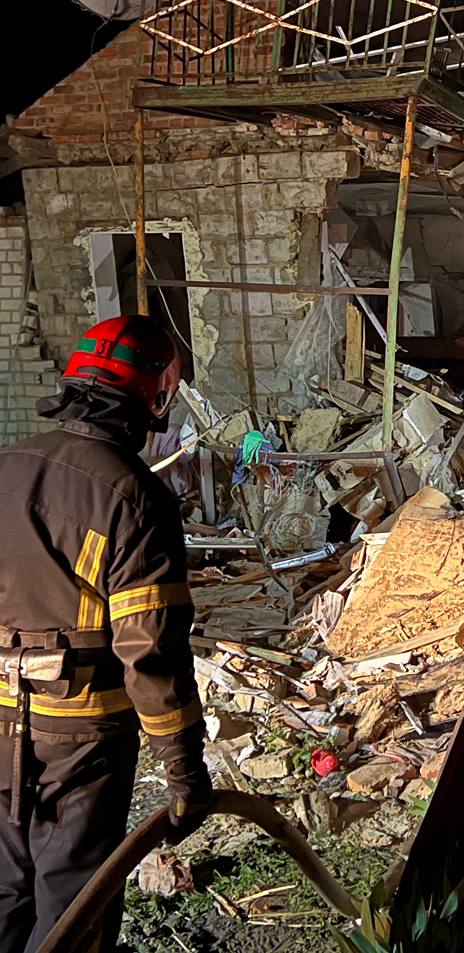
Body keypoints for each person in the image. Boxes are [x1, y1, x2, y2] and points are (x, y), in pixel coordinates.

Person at [0, 315, 211, 953]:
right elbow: (151, 654)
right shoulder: (134, 498)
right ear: (155, 398)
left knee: (4, 893)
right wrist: (184, 772)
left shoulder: (5, 468)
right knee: (74, 908)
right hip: (81, 739)